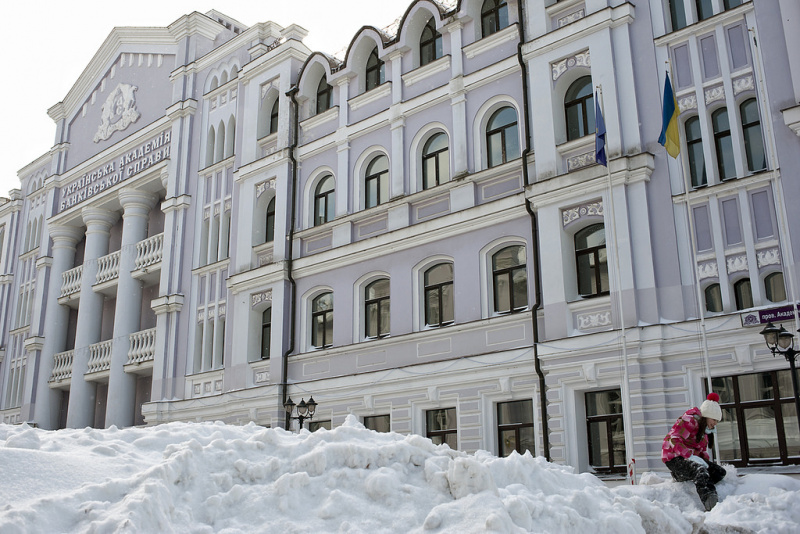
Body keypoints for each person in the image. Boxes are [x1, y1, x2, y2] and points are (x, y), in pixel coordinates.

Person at [662, 393, 727, 511]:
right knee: (700, 470)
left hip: (689, 457)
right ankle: (711, 504)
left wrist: (705, 462)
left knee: (719, 472)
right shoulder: (689, 420)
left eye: (717, 421)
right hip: (674, 457)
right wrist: (689, 456)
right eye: (714, 419)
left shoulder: (705, 431)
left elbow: (701, 451)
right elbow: (674, 439)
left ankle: (689, 477)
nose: (715, 423)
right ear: (706, 416)